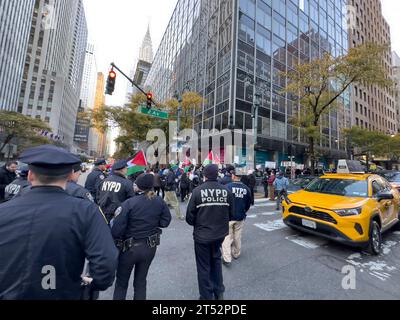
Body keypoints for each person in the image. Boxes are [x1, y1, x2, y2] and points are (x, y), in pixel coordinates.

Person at [0, 145, 118, 299]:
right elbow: (105, 264)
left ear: (30, 175)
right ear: (70, 175)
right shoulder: (86, 211)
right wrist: (93, 285)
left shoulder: (3, 210)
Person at [111, 174, 172, 300]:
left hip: (129, 249)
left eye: (135, 184)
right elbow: (165, 221)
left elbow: (116, 229)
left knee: (121, 283)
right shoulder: (159, 200)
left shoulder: (129, 203)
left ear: (139, 187)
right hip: (149, 248)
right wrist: (153, 223)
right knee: (140, 281)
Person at [186, 164, 234, 300]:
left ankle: (206, 296)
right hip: (219, 235)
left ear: (205, 175)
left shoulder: (197, 191)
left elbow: (189, 217)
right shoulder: (226, 191)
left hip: (202, 236)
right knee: (216, 262)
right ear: (217, 174)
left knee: (203, 267)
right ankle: (219, 292)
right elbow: (232, 213)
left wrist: (201, 223)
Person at [222, 170, 252, 266]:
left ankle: (227, 258)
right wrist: (244, 211)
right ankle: (236, 253)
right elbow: (248, 204)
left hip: (228, 216)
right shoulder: (246, 189)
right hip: (240, 216)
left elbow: (223, 202)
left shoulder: (227, 187)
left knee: (227, 237)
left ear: (233, 176)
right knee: (237, 236)